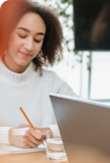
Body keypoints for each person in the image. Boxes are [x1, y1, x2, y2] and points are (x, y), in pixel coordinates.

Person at [0, 0, 77, 149]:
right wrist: (8, 135)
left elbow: (85, 121)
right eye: (22, 35)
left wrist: (48, 131)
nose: (29, 46)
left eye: (37, 39)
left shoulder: (53, 83)